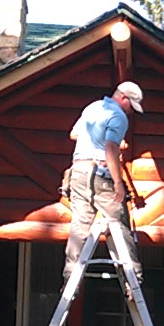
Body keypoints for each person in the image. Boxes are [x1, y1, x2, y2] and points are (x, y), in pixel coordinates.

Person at [63, 81, 146, 285]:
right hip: (99, 174)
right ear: (123, 98)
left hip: (78, 172)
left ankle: (69, 277)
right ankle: (132, 280)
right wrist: (118, 183)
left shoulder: (93, 107)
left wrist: (103, 141)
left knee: (80, 226)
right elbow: (109, 149)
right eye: (130, 106)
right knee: (119, 222)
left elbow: (74, 134)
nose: (130, 112)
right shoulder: (118, 116)